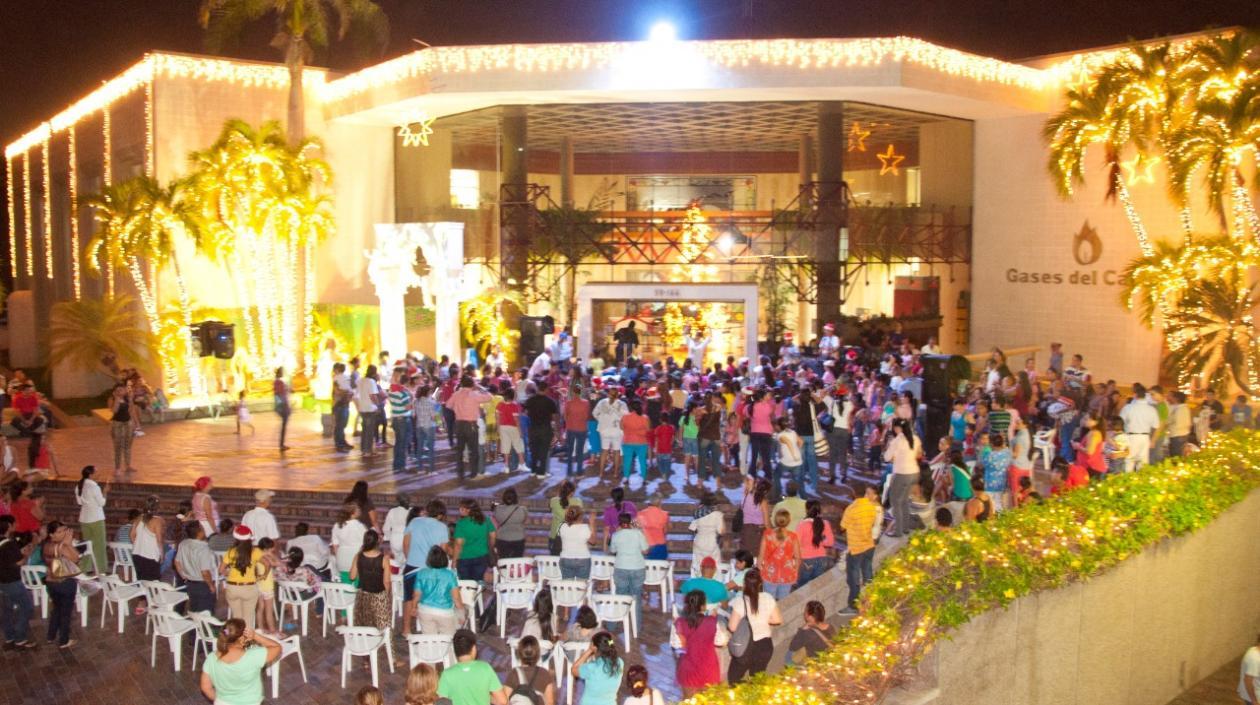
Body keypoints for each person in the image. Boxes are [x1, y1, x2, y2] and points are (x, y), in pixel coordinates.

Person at [200, 618, 283, 705]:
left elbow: (205, 687)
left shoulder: (211, 658)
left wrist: (221, 701)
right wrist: (255, 636)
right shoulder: (253, 656)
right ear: (242, 638)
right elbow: (277, 647)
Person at [402, 500, 451, 633]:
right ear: (440, 515)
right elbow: (444, 550)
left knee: (408, 598)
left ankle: (406, 629)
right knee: (430, 597)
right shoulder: (442, 527)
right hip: (432, 568)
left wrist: (410, 558)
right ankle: (431, 629)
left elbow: (405, 544)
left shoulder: (414, 522)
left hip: (412, 566)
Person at [727, 568, 782, 684]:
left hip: (747, 646)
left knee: (734, 679)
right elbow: (777, 620)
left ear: (744, 584)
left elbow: (732, 627)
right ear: (760, 583)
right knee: (757, 681)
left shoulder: (740, 601)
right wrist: (763, 619)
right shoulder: (768, 597)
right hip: (765, 646)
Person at [438, 629, 509, 705]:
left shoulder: (447, 674)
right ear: (474, 648)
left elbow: (441, 701)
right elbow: (503, 701)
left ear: (455, 651)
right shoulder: (485, 668)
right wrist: (488, 697)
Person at [839, 485, 881, 614]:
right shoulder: (871, 506)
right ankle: (871, 598)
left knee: (854, 579)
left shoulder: (851, 509)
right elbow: (873, 522)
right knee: (868, 572)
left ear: (853, 493)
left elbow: (842, 527)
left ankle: (853, 606)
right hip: (869, 545)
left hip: (856, 549)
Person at [674, 589, 722, 696]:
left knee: (689, 700)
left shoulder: (680, 623)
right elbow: (721, 641)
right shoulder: (712, 621)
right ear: (703, 606)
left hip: (688, 670)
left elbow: (677, 645)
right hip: (709, 669)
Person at [42, 521, 81, 648]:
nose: (64, 533)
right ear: (52, 534)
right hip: (64, 582)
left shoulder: (45, 545)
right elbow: (76, 558)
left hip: (50, 581)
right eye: (60, 531)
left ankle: (51, 635)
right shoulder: (62, 547)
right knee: (65, 612)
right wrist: (69, 544)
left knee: (57, 609)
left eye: (65, 530)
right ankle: (64, 640)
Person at [883, 418, 923, 538]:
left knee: (895, 501)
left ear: (897, 428)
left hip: (902, 473)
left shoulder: (897, 441)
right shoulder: (916, 438)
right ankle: (905, 528)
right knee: (905, 500)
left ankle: (898, 530)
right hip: (914, 472)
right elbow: (919, 454)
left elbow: (886, 457)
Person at [413, 544, 465, 635]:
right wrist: (462, 614)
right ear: (444, 559)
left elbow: (417, 594)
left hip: (425, 611)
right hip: (444, 612)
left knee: (430, 640)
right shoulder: (450, 575)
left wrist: (413, 607)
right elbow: (456, 598)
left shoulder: (421, 573)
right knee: (447, 641)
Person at [609, 511, 648, 628]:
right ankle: (636, 626)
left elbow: (612, 550)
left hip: (621, 567)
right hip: (637, 567)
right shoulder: (638, 534)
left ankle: (613, 625)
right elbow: (645, 550)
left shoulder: (616, 535)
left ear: (619, 523)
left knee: (620, 596)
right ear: (630, 522)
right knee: (636, 597)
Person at [221, 525, 264, 628]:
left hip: (232, 587)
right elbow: (267, 563)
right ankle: (247, 642)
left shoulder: (231, 551)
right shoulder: (255, 552)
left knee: (237, 618)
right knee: (248, 618)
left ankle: (237, 641)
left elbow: (221, 570)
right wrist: (264, 574)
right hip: (249, 588)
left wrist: (229, 573)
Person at [176, 521, 219, 615]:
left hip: (190, 583)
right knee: (206, 612)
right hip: (203, 585)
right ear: (200, 533)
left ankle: (195, 629)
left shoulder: (183, 544)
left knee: (194, 609)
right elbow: (205, 572)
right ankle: (205, 629)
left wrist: (183, 576)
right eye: (203, 529)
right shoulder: (204, 549)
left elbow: (177, 562)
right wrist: (211, 585)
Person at [570, 631, 624, 705]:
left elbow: (574, 670)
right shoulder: (619, 662)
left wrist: (589, 650)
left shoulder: (592, 668)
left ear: (595, 647)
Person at [758, 509, 801, 599]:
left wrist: (761, 569)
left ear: (775, 520)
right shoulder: (793, 536)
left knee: (769, 602)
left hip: (770, 573)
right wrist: (795, 571)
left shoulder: (767, 534)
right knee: (783, 602)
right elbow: (797, 557)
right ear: (788, 521)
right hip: (786, 574)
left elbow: (761, 556)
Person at [75, 464, 108, 573]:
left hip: (84, 518)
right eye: (96, 472)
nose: (98, 474)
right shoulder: (94, 487)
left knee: (87, 544)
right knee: (99, 545)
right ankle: (101, 569)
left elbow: (79, 502)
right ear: (90, 474)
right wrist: (105, 492)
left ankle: (85, 568)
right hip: (96, 519)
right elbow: (102, 502)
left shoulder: (79, 486)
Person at [506, 635, 558, 705]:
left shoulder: (514, 673)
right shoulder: (544, 674)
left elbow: (504, 700)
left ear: (519, 654)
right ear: (538, 654)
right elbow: (550, 702)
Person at [522, 382, 560, 477]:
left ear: (538, 389)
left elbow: (525, 413)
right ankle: (541, 473)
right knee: (544, 450)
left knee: (534, 450)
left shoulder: (530, 400)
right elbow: (554, 417)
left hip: (533, 428)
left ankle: (533, 470)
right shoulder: (550, 401)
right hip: (545, 428)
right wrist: (556, 431)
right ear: (546, 389)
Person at [1119, 384, 1160, 471]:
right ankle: (1141, 482)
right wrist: (1153, 440)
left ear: (1135, 395)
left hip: (1130, 437)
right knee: (1143, 462)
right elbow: (1156, 426)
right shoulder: (1152, 409)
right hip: (1145, 438)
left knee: (1129, 460)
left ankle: (1127, 481)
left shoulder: (1128, 408)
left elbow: (1120, 422)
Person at [453, 499, 495, 583]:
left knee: (466, 584)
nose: (459, 510)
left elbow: (458, 545)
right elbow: (493, 535)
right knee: (478, 581)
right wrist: (490, 546)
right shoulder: (486, 520)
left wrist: (454, 560)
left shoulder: (461, 524)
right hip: (482, 556)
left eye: (462, 508)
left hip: (464, 558)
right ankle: (478, 595)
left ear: (468, 510)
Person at [795, 500, 835, 588]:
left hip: (806, 560)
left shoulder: (802, 525)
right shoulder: (825, 523)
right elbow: (831, 542)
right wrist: (820, 541)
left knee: (802, 587)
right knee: (816, 587)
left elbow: (796, 543)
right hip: (821, 558)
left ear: (807, 510)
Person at [594, 387, 628, 481]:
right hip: (617, 431)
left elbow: (594, 413)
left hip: (604, 430)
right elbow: (626, 417)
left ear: (608, 394)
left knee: (604, 451)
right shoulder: (622, 404)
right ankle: (615, 473)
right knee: (617, 452)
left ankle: (601, 473)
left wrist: (601, 420)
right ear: (618, 394)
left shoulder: (602, 402)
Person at [786, 600, 836, 665]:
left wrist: (802, 630)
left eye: (805, 611)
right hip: (827, 657)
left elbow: (792, 647)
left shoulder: (808, 633)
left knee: (788, 656)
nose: (804, 613)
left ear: (810, 617)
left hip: (815, 660)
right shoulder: (830, 627)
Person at [331, 503, 369, 583]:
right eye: (357, 509)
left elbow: (335, 545)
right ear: (352, 513)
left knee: (345, 583)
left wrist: (338, 557)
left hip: (342, 556)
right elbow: (366, 542)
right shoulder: (359, 526)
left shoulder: (337, 525)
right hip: (356, 556)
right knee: (357, 583)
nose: (360, 510)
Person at [131, 495, 166, 581]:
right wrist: (162, 554)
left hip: (137, 554)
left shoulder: (139, 518)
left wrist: (139, 545)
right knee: (153, 581)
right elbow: (159, 539)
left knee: (141, 580)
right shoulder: (158, 521)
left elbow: (132, 535)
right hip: (151, 555)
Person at [389, 368, 416, 471]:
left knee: (398, 443)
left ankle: (396, 465)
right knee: (404, 443)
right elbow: (407, 407)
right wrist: (413, 400)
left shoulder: (392, 390)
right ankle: (401, 465)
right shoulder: (403, 394)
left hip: (396, 419)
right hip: (403, 420)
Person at [688, 492, 724, 569]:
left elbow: (691, 528)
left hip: (699, 541)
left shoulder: (698, 513)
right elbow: (721, 531)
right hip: (712, 542)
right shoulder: (718, 514)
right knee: (714, 566)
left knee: (698, 566)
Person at [558, 505, 595, 580]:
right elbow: (593, 541)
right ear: (580, 516)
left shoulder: (561, 526)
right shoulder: (585, 528)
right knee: (581, 587)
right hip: (583, 559)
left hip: (566, 558)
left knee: (567, 587)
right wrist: (592, 523)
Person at [356, 365, 384, 458]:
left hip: (362, 407)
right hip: (370, 408)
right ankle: (368, 451)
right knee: (369, 431)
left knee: (364, 430)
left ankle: (364, 449)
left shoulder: (360, 380)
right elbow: (373, 396)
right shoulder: (371, 382)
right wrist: (377, 405)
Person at [562, 389, 591, 477]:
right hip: (582, 428)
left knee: (570, 451)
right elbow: (587, 416)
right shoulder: (586, 403)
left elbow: (565, 416)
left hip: (571, 428)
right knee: (580, 451)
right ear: (580, 393)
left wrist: (569, 423)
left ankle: (569, 472)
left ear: (573, 393)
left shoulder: (568, 403)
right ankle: (579, 472)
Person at [548, 482, 582, 556]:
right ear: (572, 492)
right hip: (572, 536)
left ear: (561, 490)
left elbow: (551, 509)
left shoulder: (553, 501)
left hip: (555, 535)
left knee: (555, 561)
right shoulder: (577, 502)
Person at [108, 383, 136, 474]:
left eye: (122, 390)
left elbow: (131, 410)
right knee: (118, 446)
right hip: (117, 424)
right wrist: (116, 398)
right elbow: (114, 410)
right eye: (118, 390)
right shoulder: (111, 399)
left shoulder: (126, 399)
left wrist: (131, 399)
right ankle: (117, 468)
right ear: (115, 391)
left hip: (127, 423)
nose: (121, 392)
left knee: (128, 446)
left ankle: (128, 466)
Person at [493, 488, 528, 559]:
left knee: (503, 561)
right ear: (515, 498)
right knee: (517, 561)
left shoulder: (498, 509)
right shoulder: (523, 510)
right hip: (518, 538)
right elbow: (524, 520)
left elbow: (496, 516)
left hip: (502, 538)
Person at [620, 400, 650, 480]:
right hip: (641, 442)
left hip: (627, 441)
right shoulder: (644, 417)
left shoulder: (625, 417)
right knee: (642, 460)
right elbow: (648, 430)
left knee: (627, 460)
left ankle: (626, 477)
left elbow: (621, 427)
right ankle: (644, 478)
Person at [636, 493, 670, 561]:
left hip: (645, 545)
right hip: (660, 546)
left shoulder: (640, 514)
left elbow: (637, 529)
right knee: (660, 566)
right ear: (660, 502)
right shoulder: (665, 514)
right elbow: (665, 531)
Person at [332, 362, 355, 452]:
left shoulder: (340, 378)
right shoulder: (337, 378)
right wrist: (347, 392)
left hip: (344, 403)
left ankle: (342, 442)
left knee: (342, 425)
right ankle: (339, 444)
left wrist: (347, 393)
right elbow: (337, 391)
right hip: (340, 404)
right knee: (340, 425)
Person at [192, 476, 221, 540]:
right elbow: (209, 516)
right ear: (206, 485)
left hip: (200, 522)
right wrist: (215, 530)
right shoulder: (206, 498)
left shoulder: (196, 495)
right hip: (208, 525)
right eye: (210, 484)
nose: (212, 485)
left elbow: (195, 511)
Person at [273, 367, 292, 451]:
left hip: (282, 405)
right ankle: (281, 445)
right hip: (283, 406)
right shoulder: (279, 382)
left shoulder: (277, 381)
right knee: (283, 426)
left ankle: (281, 444)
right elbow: (279, 395)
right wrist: (283, 405)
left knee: (283, 426)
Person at [1239, 632, 1260, 704]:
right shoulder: (1254, 658)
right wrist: (1255, 701)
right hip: (1254, 697)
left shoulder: (1255, 649)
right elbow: (1248, 681)